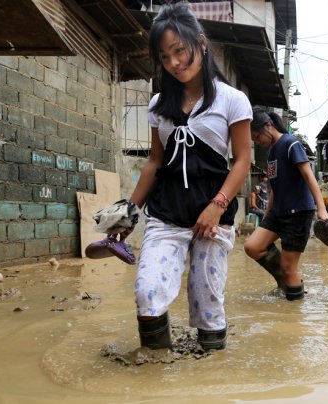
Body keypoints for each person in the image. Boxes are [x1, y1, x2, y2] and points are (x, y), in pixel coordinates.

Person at [112, 4, 252, 351]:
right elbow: (155, 162)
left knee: (206, 301)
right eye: (165, 57)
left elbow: (242, 161)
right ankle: (154, 369)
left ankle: (207, 375)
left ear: (200, 43)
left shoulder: (232, 101)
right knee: (147, 292)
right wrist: (129, 212)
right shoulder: (159, 105)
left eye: (179, 51)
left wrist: (217, 207)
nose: (174, 63)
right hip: (166, 213)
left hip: (213, 215)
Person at [244, 107, 328, 301]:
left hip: (298, 212)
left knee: (289, 267)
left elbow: (309, 177)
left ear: (268, 126)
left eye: (257, 136)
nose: (257, 142)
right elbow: (273, 188)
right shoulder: (271, 153)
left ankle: (294, 309)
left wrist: (321, 209)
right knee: (252, 246)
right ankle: (287, 281)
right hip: (277, 212)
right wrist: (266, 214)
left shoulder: (291, 144)